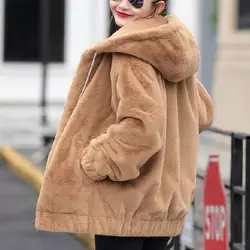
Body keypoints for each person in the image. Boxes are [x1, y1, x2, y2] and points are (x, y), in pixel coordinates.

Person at [35, 0, 214, 249]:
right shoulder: (172, 50)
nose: (123, 5)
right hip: (163, 204)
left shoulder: (130, 51)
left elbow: (142, 127)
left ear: (157, 6)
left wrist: (101, 159)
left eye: (137, 1)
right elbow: (203, 113)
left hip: (124, 204)